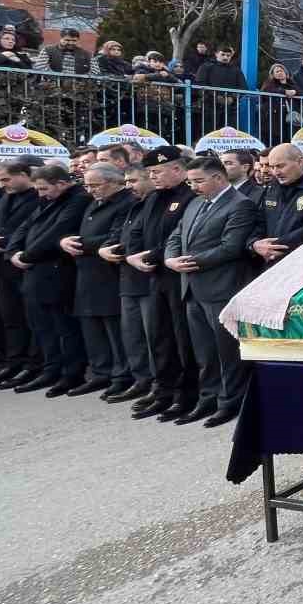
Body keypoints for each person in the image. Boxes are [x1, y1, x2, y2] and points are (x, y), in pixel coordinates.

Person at [164, 155, 261, 428]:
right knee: (204, 352)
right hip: (192, 288)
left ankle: (230, 401)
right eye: (190, 181)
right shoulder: (195, 203)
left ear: (218, 178)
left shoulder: (241, 205)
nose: (193, 186)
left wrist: (190, 262)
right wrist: (171, 259)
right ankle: (208, 397)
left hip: (221, 287)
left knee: (226, 352)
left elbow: (231, 247)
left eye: (198, 181)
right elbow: (176, 235)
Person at [125, 145, 202, 423]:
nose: (153, 177)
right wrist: (132, 254)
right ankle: (164, 390)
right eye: (150, 172)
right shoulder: (154, 198)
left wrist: (151, 255)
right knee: (159, 336)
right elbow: (137, 230)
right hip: (155, 276)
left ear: (178, 169)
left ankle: (186, 394)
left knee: (181, 339)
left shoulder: (190, 196)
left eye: (157, 171)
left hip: (177, 275)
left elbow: (176, 237)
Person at [7, 164, 91, 394]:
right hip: (35, 272)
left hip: (57, 272)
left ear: (62, 184)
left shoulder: (77, 200)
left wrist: (26, 255)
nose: (40, 193)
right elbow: (25, 227)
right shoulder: (47, 199)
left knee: (65, 329)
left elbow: (55, 233)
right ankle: (50, 368)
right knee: (42, 328)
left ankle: (71, 373)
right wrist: (12, 251)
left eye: (44, 188)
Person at [61, 163, 134, 396]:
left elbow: (115, 237)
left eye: (95, 185)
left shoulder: (126, 202)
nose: (90, 190)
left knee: (113, 329)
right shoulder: (95, 202)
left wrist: (79, 244)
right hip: (86, 273)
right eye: (87, 185)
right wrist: (65, 241)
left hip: (108, 274)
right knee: (93, 328)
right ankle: (101, 372)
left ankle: (122, 374)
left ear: (114, 182)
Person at [0, 158, 41, 388]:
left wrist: (1, 242)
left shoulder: (38, 197)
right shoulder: (5, 197)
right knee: (10, 318)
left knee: (30, 319)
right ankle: (14, 362)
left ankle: (34, 364)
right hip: (0, 267)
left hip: (24, 265)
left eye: (6, 179)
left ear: (24, 174)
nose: (2, 185)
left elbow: (29, 229)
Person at [99, 163, 157, 403]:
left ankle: (157, 382)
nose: (128, 186)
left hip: (149, 276)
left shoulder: (155, 204)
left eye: (133, 181)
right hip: (128, 277)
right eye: (126, 182)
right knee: (132, 335)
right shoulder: (133, 205)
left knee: (152, 336)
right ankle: (141, 379)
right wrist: (105, 248)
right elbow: (120, 235)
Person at [251, 144, 303, 265]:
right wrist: (255, 243)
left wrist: (274, 246)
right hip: (268, 263)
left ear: (300, 161)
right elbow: (259, 221)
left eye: (280, 166)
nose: (276, 172)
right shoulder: (271, 189)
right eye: (273, 167)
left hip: (300, 261)